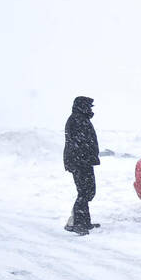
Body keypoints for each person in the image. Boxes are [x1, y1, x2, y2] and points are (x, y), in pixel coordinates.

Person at [63, 95, 100, 234]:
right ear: (82, 106)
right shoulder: (76, 120)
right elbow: (78, 144)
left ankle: (84, 221)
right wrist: (82, 159)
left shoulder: (81, 119)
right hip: (79, 162)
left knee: (88, 191)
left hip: (84, 161)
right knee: (84, 192)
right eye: (89, 106)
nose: (90, 109)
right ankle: (76, 223)